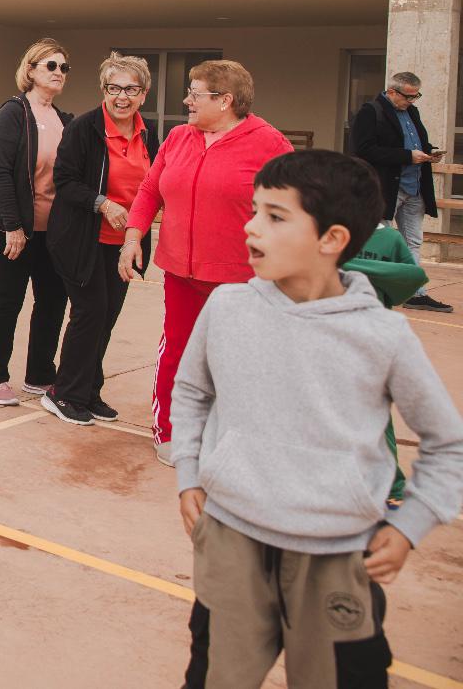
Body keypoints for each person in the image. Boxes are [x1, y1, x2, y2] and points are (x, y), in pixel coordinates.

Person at [171, 150, 463, 688]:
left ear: (332, 240)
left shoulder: (382, 335)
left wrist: (410, 526)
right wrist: (188, 470)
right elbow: (191, 392)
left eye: (275, 216)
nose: (251, 226)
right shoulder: (228, 308)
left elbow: (448, 444)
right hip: (230, 543)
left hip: (337, 556)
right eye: (254, 210)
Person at [120, 59, 294, 466]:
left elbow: (295, 205)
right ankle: (170, 433)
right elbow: (149, 191)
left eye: (195, 94)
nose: (187, 101)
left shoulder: (269, 143)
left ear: (225, 100)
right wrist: (132, 237)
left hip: (243, 279)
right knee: (177, 353)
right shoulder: (180, 137)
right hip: (181, 273)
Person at [40, 53, 159, 425]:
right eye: (114, 88)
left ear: (144, 93)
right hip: (82, 239)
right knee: (89, 313)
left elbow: (153, 184)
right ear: (103, 90)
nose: (121, 97)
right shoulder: (85, 128)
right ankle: (63, 393)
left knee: (106, 316)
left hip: (124, 243)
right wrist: (102, 203)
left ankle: (89, 390)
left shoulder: (147, 132)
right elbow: (65, 181)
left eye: (130, 89)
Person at [0, 40, 73, 406]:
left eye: (64, 68)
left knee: (52, 300)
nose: (59, 73)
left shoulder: (64, 120)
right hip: (11, 226)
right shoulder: (13, 113)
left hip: (52, 229)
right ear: (30, 70)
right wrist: (14, 227)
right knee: (8, 298)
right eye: (51, 66)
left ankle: (40, 375)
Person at [345, 222, 431, 509]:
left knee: (377, 414)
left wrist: (354, 267)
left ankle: (392, 483)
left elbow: (410, 280)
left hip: (372, 339)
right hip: (330, 334)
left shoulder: (390, 239)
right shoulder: (329, 228)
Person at [350, 71, 450, 312]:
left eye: (416, 97)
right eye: (408, 97)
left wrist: (427, 153)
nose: (412, 101)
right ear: (392, 92)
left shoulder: (412, 112)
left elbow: (414, 142)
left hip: (414, 187)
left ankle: (416, 294)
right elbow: (363, 150)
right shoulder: (371, 112)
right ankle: (371, 291)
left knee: (413, 242)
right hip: (387, 188)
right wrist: (407, 156)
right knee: (381, 242)